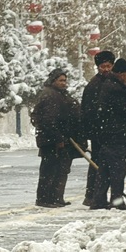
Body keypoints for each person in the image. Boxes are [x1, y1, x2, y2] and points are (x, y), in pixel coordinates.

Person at [80, 52, 126, 209]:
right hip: (105, 132)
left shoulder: (111, 83)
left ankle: (97, 199)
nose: (106, 69)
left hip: (106, 132)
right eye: (103, 66)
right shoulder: (97, 85)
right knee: (108, 167)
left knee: (104, 167)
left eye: (109, 66)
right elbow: (90, 111)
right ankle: (95, 196)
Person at [29, 67, 81, 208]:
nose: (64, 83)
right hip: (51, 141)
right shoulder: (50, 96)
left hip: (58, 139)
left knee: (59, 170)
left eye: (65, 80)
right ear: (53, 81)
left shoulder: (59, 94)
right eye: (60, 80)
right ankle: (45, 199)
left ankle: (56, 198)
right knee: (50, 170)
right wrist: (58, 138)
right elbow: (48, 120)